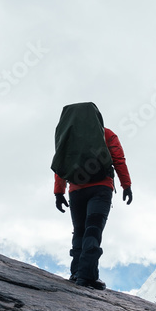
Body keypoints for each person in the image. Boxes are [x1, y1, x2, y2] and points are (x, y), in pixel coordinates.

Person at [54, 112, 132, 291]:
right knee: (93, 230)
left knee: (79, 231)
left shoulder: (69, 137)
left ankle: (76, 273)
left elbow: (61, 165)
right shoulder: (107, 134)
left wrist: (59, 192)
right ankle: (87, 276)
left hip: (76, 191)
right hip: (101, 188)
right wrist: (126, 185)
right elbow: (119, 160)